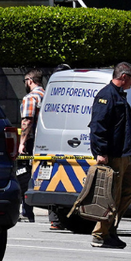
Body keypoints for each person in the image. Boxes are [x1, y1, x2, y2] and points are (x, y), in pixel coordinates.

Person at [88, 62, 131, 248]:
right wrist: (100, 152)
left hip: (125, 154)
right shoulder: (106, 95)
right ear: (124, 76)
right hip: (113, 155)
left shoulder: (120, 96)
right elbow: (97, 126)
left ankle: (111, 228)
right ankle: (101, 234)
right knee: (111, 196)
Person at [17, 69, 46, 222]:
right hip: (45, 141)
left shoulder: (31, 98)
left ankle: (27, 211)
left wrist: (22, 143)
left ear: (29, 80)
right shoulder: (47, 96)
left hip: (32, 141)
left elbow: (27, 121)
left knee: (24, 173)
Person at [48, 65, 72, 230]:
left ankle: (56, 220)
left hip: (53, 142)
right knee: (54, 179)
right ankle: (56, 219)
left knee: (52, 180)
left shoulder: (51, 95)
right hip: (61, 144)